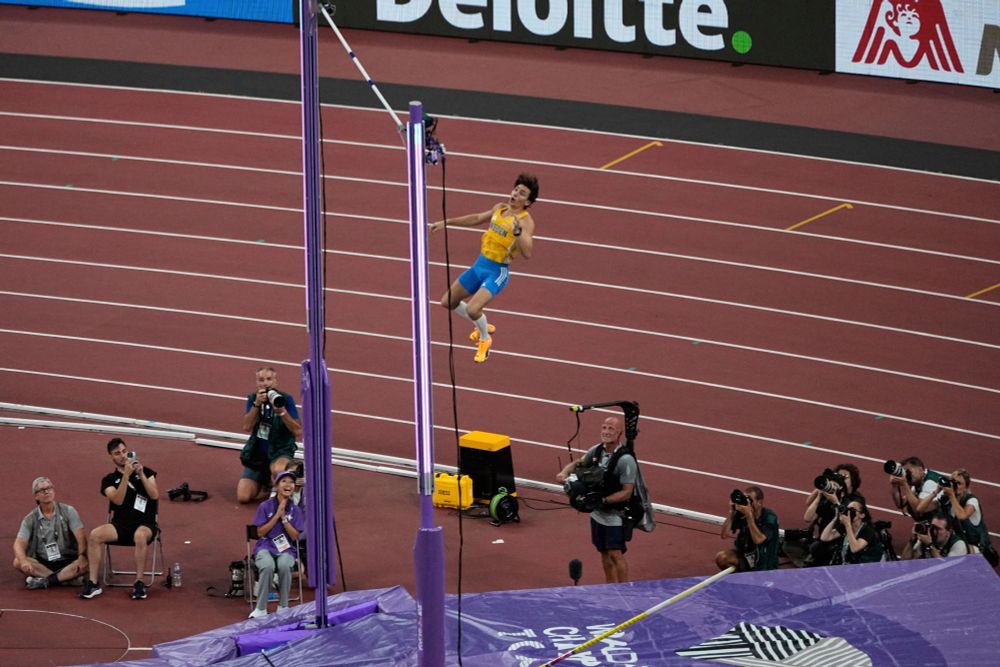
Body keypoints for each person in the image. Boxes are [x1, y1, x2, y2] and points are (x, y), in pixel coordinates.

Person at [428, 172, 539, 363]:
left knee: (473, 310)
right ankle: (483, 326)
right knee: (447, 302)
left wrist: (519, 232)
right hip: (480, 265)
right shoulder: (500, 208)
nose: (515, 194)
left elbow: (528, 253)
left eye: (522, 193)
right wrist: (447, 222)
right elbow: (477, 218)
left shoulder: (526, 221)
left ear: (528, 202)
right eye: (516, 190)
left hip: (497, 271)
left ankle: (485, 340)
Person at [556, 416, 636, 583]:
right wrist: (564, 473)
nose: (606, 432)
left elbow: (627, 492)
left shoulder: (626, 459)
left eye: (611, 429)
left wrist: (604, 501)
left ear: (619, 433)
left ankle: (626, 591)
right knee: (604, 552)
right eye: (604, 427)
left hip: (615, 515)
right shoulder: (597, 450)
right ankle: (610, 588)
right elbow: (579, 463)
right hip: (596, 514)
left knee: (615, 553)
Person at [80, 438, 159, 601]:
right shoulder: (108, 480)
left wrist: (141, 474)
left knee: (140, 536)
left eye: (124, 451)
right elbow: (117, 500)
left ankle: (139, 583)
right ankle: (93, 583)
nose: (122, 456)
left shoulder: (148, 472)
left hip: (145, 524)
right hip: (120, 526)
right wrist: (126, 477)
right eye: (117, 453)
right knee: (95, 535)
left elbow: (155, 495)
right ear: (111, 457)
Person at [238, 366, 303, 504]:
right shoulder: (252, 398)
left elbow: (297, 430)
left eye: (269, 379)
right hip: (258, 455)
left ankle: (287, 480)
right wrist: (256, 405)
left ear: (275, 382)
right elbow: (246, 427)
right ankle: (265, 480)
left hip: (280, 451)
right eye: (261, 380)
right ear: (257, 382)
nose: (265, 383)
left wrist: (281, 412)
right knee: (243, 497)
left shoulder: (285, 399)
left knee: (278, 469)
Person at [13, 477, 88, 589]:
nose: (46, 491)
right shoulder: (29, 519)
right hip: (43, 563)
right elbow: (18, 544)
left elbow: (81, 537)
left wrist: (82, 556)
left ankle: (45, 581)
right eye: (42, 490)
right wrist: (23, 561)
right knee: (17, 562)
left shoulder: (68, 511)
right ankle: (65, 579)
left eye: (49, 488)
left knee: (90, 560)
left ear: (54, 491)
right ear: (36, 496)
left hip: (68, 561)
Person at [249, 470, 305, 619]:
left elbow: (295, 536)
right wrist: (276, 516)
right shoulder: (265, 506)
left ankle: (283, 606)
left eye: (291, 482)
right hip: (265, 546)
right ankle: (261, 608)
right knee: (267, 566)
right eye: (284, 481)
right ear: (277, 485)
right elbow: (260, 533)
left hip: (286, 548)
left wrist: (284, 518)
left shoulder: (296, 510)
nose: (288, 485)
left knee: (285, 566)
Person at [789, 463, 864, 567]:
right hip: (823, 538)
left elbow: (847, 519)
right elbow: (807, 517)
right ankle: (808, 562)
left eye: (845, 477)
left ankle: (812, 562)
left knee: (816, 548)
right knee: (788, 542)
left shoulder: (852, 502)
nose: (841, 477)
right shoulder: (826, 500)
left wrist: (836, 502)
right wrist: (820, 492)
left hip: (838, 540)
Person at [716, 486, 780, 572]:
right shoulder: (741, 514)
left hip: (764, 560)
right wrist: (732, 511)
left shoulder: (770, 517)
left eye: (750, 500)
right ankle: (742, 574)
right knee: (721, 558)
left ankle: (747, 575)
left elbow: (759, 540)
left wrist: (749, 516)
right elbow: (724, 535)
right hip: (745, 554)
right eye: (745, 499)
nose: (747, 503)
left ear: (759, 502)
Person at [941, 469, 997, 567]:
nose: (955, 486)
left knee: (955, 553)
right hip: (961, 544)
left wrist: (951, 495)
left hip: (979, 551)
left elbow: (962, 516)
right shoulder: (947, 499)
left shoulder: (972, 501)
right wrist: (936, 491)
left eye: (959, 483)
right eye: (953, 482)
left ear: (966, 487)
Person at [818, 498, 884, 565]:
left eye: (852, 510)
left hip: (867, 566)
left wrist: (847, 525)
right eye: (848, 509)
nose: (849, 512)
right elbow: (825, 537)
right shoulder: (846, 525)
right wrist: (835, 518)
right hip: (849, 564)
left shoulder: (868, 530)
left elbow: (855, 548)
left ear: (862, 515)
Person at [901, 511, 968, 560]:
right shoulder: (926, 539)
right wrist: (911, 541)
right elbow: (904, 563)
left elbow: (946, 568)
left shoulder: (958, 544)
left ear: (949, 532)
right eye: (933, 527)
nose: (934, 531)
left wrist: (930, 546)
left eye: (938, 529)